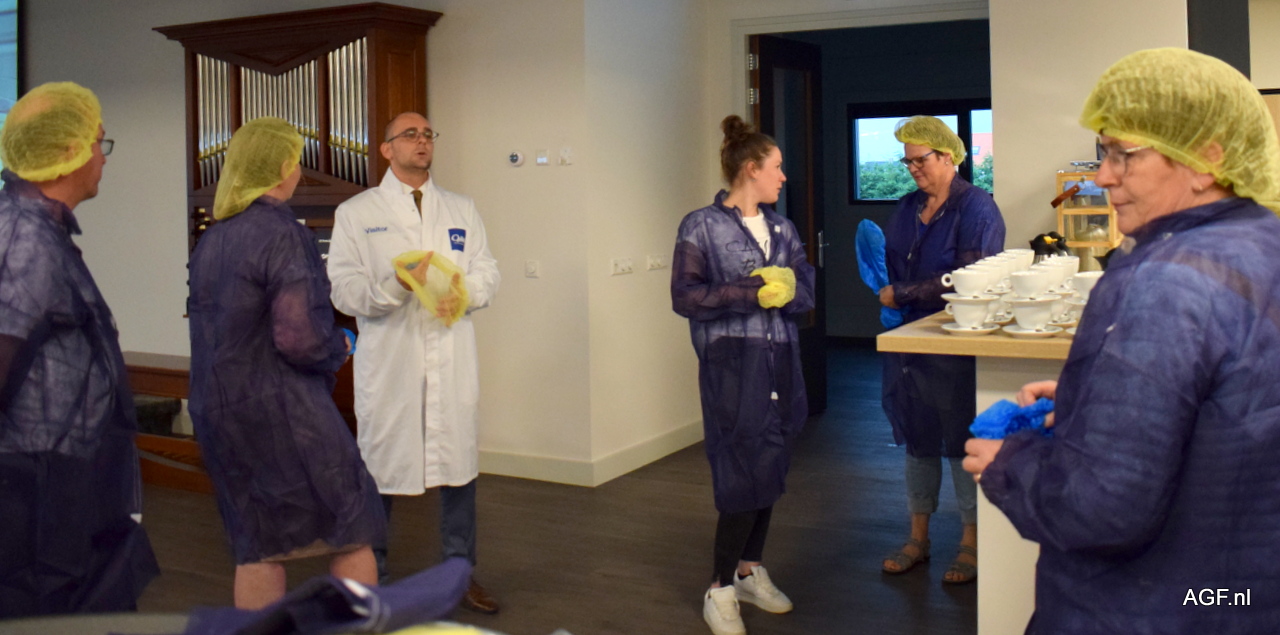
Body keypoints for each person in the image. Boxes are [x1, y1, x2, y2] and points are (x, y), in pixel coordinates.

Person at [963, 48, 1280, 633]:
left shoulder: (1161, 280)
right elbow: (1236, 402)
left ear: (1207, 158)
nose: (1103, 176)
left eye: (1122, 155)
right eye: (1102, 153)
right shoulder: (1263, 243)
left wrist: (1010, 465)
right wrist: (1097, 397)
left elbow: (1102, 508)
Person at [187, 117, 385, 610]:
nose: (298, 170)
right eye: (296, 160)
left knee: (258, 544)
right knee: (353, 530)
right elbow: (297, 338)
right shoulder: (283, 233)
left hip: (219, 407)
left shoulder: (213, 237)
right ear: (281, 167)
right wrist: (339, 345)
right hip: (283, 409)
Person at [328, 112, 501, 615]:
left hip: (450, 355)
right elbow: (344, 288)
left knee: (459, 468)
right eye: (409, 135)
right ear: (386, 149)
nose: (421, 141)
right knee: (379, 469)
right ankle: (373, 577)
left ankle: (459, 574)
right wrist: (396, 286)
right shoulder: (357, 213)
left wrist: (464, 293)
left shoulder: (461, 208)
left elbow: (488, 270)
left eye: (427, 134)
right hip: (392, 361)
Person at [0, 82, 159, 616]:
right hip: (36, 496)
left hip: (58, 485)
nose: (103, 158)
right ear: (68, 151)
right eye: (98, 142)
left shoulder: (36, 231)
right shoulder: (24, 241)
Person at [672, 115, 816, 635]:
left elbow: (806, 289)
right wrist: (752, 290)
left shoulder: (783, 229)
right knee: (740, 474)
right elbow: (685, 297)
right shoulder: (701, 227)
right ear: (751, 168)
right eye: (777, 167)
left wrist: (789, 289)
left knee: (771, 466)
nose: (783, 176)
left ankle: (750, 570)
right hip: (733, 368)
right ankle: (719, 588)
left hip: (781, 363)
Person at [878, 115, 1004, 584]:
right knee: (918, 436)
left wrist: (904, 293)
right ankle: (918, 537)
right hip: (911, 338)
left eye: (920, 160)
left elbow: (970, 277)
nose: (913, 169)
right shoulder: (907, 207)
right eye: (907, 162)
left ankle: (971, 542)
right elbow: (891, 264)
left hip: (955, 339)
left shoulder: (977, 208)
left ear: (948, 157)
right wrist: (889, 291)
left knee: (959, 437)